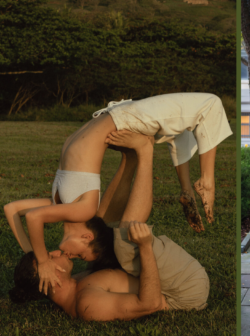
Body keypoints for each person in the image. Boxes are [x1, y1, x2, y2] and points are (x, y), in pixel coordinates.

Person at [4, 92, 230, 295]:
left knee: (210, 104)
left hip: (124, 118)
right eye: (80, 256)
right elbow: (14, 210)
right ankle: (187, 188)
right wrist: (34, 253)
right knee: (179, 130)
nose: (72, 257)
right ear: (86, 237)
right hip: (120, 118)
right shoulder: (65, 206)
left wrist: (38, 258)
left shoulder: (81, 209)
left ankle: (205, 182)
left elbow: (28, 215)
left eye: (80, 256)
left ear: (87, 237)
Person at [8, 132, 210, 320]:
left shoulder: (75, 283)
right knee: (124, 243)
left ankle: (129, 158)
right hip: (186, 291)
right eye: (49, 259)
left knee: (99, 224)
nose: (53, 252)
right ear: (50, 278)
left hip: (179, 277)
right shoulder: (87, 304)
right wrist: (145, 247)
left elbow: (13, 210)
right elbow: (150, 304)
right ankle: (145, 152)